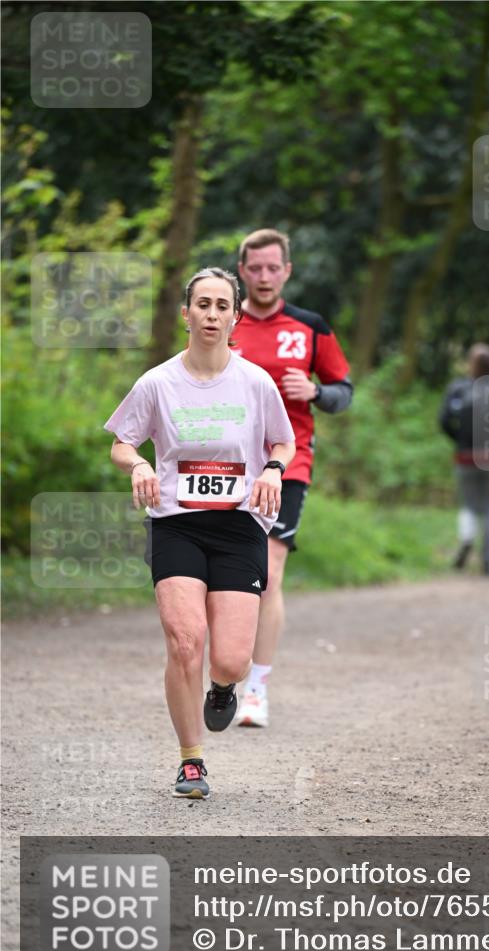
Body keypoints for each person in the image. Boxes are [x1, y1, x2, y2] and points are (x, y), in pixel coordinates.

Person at [104, 267, 295, 798]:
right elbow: (122, 442)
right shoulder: (158, 382)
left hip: (239, 526)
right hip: (175, 523)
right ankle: (191, 761)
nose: (211, 314)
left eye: (221, 306)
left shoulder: (255, 382)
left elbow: (284, 443)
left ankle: (223, 688)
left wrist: (273, 471)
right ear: (186, 312)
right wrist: (139, 466)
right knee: (185, 640)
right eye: (202, 304)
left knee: (230, 658)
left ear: (235, 317)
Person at [231, 228, 353, 728]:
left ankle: (255, 689)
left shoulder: (309, 327)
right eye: (254, 268)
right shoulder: (222, 319)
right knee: (226, 573)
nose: (263, 276)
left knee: (269, 573)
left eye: (272, 268)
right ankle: (224, 674)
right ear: (242, 271)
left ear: (287, 271)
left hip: (288, 461)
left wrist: (316, 391)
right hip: (222, 463)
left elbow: (344, 391)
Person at [440, 344, 489, 576]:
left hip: (465, 456)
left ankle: (467, 537)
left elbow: (443, 421)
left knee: (468, 503)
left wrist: (458, 442)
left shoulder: (458, 389)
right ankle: (488, 562)